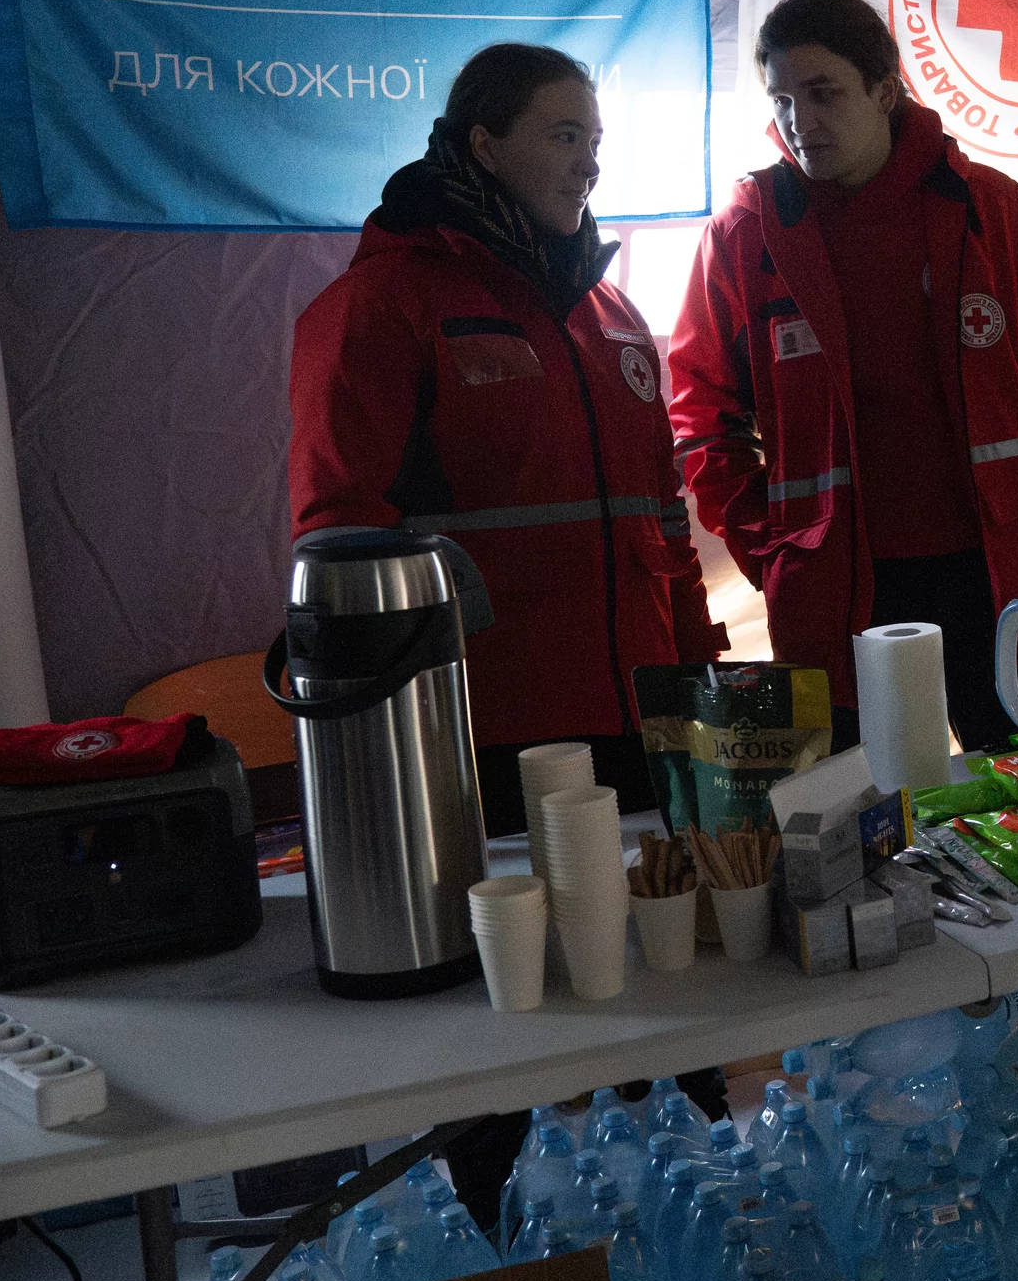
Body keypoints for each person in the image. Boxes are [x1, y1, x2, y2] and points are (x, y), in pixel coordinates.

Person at [667, 0, 1018, 750]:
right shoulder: (746, 232)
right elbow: (701, 415)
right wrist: (769, 551)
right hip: (836, 586)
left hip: (998, 571)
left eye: (823, 93)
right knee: (858, 811)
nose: (800, 121)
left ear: (883, 89)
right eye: (782, 99)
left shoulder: (989, 208)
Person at [290, 44, 719, 832]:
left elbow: (664, 519)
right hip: (481, 734)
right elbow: (340, 544)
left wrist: (699, 675)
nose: (590, 164)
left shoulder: (614, 317)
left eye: (594, 140)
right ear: (485, 147)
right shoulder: (380, 305)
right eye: (564, 136)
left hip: (644, 717)